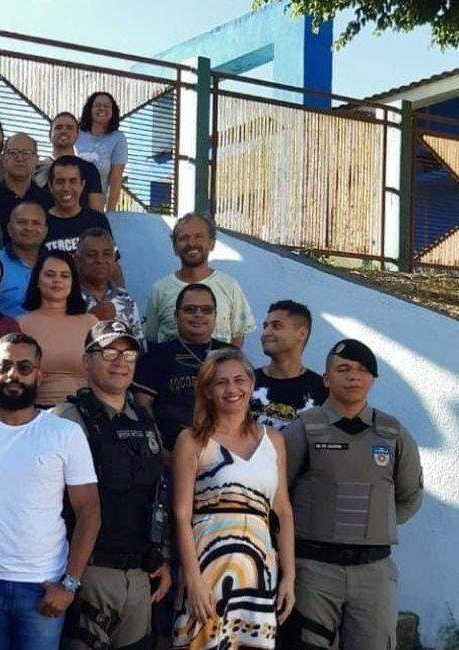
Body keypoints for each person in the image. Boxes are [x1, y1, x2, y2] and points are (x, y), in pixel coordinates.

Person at [0, 332, 100, 650]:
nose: (13, 374)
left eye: (25, 367)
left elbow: (89, 512)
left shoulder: (65, 433)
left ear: (39, 374)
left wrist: (69, 585)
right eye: (4, 366)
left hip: (44, 588)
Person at [282, 339, 423, 650]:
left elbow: (410, 496)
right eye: (343, 369)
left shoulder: (393, 433)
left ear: (372, 378)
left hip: (374, 572)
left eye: (362, 370)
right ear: (326, 378)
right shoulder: (303, 428)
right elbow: (278, 496)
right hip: (314, 570)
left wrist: (373, 526)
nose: (353, 376)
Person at [51, 320, 171, 650]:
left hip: (139, 578)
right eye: (109, 352)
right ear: (86, 360)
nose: (120, 361)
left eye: (129, 354)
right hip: (86, 576)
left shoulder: (147, 422)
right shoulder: (64, 419)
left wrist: (160, 556)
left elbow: (154, 496)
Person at [171, 348, 296, 650]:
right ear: (208, 391)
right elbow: (180, 515)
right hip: (208, 562)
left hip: (259, 567)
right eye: (221, 382)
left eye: (240, 380)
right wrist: (193, 579)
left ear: (252, 385)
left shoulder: (274, 441)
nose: (232, 389)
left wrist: (289, 577)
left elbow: (282, 511)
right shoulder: (192, 440)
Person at [133, 284, 233, 452]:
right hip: (172, 453)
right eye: (190, 309)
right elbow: (142, 406)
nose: (198, 315)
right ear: (176, 315)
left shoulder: (231, 355)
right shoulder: (156, 355)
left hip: (225, 451)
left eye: (206, 310)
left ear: (215, 315)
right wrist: (161, 453)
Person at [144, 213, 255, 347]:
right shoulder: (160, 289)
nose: (191, 243)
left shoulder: (229, 286)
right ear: (174, 247)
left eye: (199, 237)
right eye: (184, 238)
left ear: (212, 243)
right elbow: (152, 339)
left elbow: (237, 336)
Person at [16, 249, 98, 407]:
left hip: (86, 413)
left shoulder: (91, 323)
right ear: (37, 281)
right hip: (37, 414)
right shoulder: (21, 324)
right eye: (50, 274)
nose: (57, 280)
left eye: (65, 276)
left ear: (73, 283)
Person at [252, 300, 328, 430]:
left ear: (302, 334)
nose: (266, 333)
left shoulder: (322, 391)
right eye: (265, 326)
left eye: (276, 326)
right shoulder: (246, 381)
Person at [74, 228, 144, 347]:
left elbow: (139, 348)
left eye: (107, 254)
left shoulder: (126, 299)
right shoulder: (67, 297)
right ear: (78, 260)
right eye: (91, 255)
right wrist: (90, 319)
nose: (100, 260)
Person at [0, 133, 54, 231]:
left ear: (36, 160)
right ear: (3, 159)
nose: (20, 158)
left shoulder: (48, 200)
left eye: (26, 153)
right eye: (12, 152)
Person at [34, 112, 104, 212]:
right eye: (58, 127)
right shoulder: (36, 168)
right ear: (50, 134)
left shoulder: (89, 169)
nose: (64, 131)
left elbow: (97, 211)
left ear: (77, 135)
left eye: (69, 128)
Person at [44, 156, 112, 254]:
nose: (66, 188)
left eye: (72, 181)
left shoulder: (98, 221)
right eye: (60, 182)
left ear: (82, 185)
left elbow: (112, 263)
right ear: (50, 186)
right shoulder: (40, 223)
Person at [0, 201, 48, 319]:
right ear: (9, 229)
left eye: (36, 223)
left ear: (45, 231)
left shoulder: (56, 264)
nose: (28, 228)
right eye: (22, 222)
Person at [76, 92, 127, 212]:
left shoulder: (118, 138)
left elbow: (116, 178)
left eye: (106, 106)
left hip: (95, 207)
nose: (102, 108)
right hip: (69, 202)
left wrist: (110, 211)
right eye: (97, 105)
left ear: (113, 111)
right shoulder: (77, 133)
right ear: (90, 109)